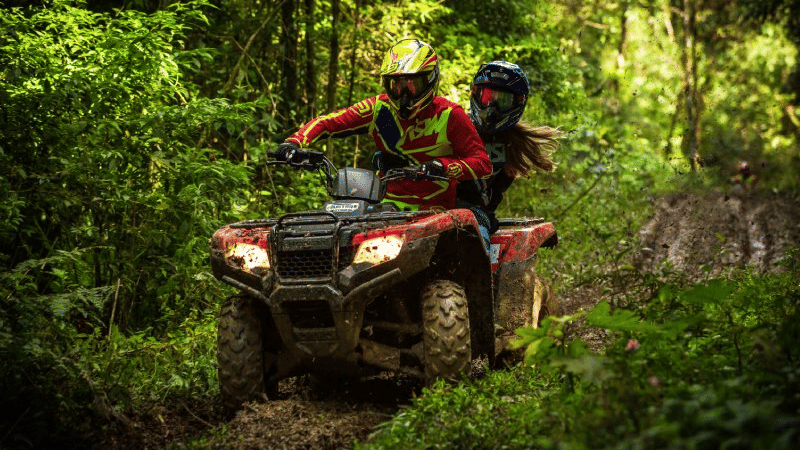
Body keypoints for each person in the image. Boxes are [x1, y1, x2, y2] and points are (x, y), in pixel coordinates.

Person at [275, 38, 492, 212]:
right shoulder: (378, 108)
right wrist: (293, 143)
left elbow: (482, 163)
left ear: (430, 80)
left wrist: (442, 167)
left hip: (435, 210)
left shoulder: (449, 114)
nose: (404, 95)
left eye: (412, 85)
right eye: (396, 85)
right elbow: (327, 122)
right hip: (383, 205)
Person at [458, 61, 560, 247]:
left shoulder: (513, 144)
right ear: (476, 93)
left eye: (502, 101)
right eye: (488, 97)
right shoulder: (456, 128)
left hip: (475, 220)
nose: (492, 107)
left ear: (517, 103)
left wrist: (484, 213)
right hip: (441, 209)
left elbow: (495, 192)